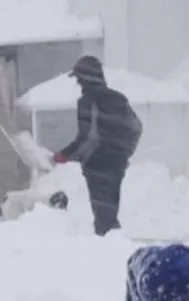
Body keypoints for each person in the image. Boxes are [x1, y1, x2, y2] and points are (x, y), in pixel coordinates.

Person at [53, 55, 142, 236]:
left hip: (98, 164)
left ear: (85, 78)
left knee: (103, 213)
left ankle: (107, 249)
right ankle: (112, 242)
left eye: (78, 78)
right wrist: (124, 153)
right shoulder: (119, 99)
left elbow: (89, 138)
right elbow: (136, 128)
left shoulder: (87, 101)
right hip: (117, 163)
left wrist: (66, 154)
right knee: (109, 208)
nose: (77, 83)